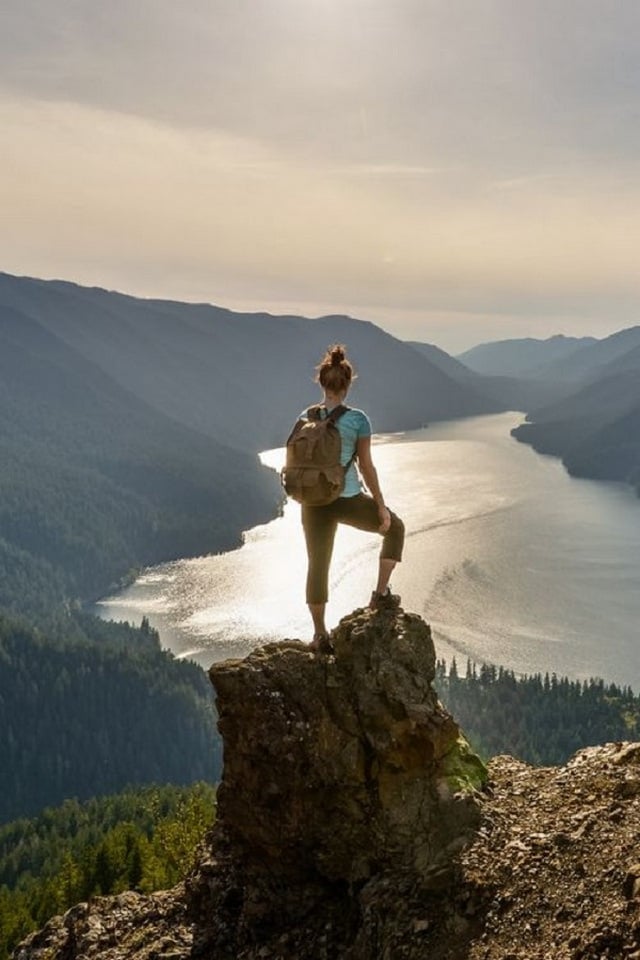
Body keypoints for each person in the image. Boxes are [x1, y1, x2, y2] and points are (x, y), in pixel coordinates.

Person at [298, 344, 405, 652]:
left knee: (317, 565)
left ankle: (320, 635)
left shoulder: (307, 415)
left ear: (322, 383)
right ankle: (380, 596)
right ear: (347, 385)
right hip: (346, 498)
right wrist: (381, 506)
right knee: (394, 528)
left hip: (314, 503)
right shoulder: (358, 420)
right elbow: (367, 467)